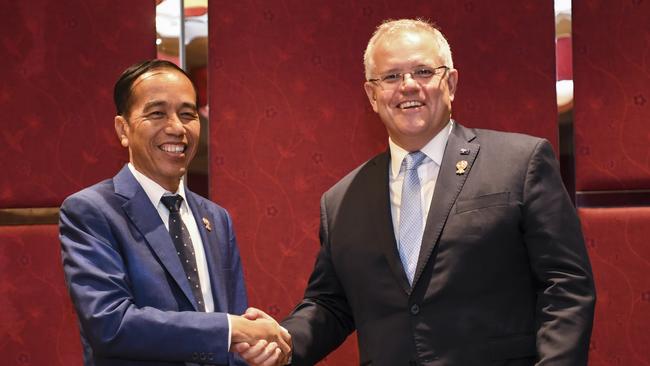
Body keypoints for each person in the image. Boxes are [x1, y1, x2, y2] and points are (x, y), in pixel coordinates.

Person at [239, 19, 596, 366]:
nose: (408, 86)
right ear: (372, 94)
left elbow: (565, 286)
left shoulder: (520, 163)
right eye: (391, 76)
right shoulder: (341, 201)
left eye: (424, 72)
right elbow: (330, 304)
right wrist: (283, 342)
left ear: (451, 83)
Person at [59, 60, 290, 366]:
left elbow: (234, 337)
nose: (176, 128)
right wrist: (230, 329)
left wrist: (260, 352)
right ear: (123, 129)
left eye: (187, 114)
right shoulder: (91, 211)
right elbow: (110, 324)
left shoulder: (217, 219)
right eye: (157, 114)